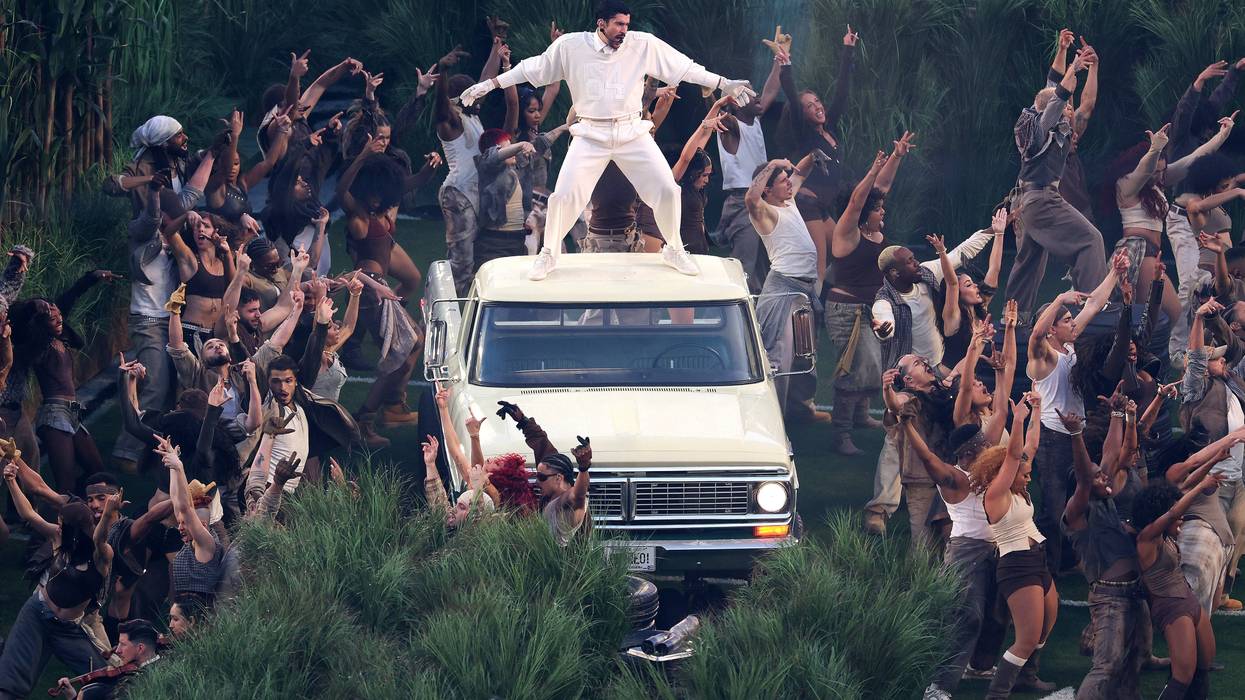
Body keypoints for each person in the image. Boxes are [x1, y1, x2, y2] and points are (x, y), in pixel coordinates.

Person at [460, 0, 757, 281]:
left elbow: (684, 67)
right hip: (590, 134)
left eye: (627, 24)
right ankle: (549, 254)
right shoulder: (571, 46)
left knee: (667, 188)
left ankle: (674, 249)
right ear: (601, 24)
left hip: (632, 133)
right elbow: (531, 68)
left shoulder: (642, 44)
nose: (624, 30)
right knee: (564, 195)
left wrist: (722, 82)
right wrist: (489, 84)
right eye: (618, 24)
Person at [1025, 252, 1125, 573]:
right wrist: (1057, 298)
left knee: (1083, 494)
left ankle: (1074, 559)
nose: (1073, 323)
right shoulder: (1043, 356)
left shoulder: (1067, 345)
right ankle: (1048, 569)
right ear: (1054, 328)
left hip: (1074, 434)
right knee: (1054, 507)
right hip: (1052, 439)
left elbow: (1093, 304)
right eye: (1067, 320)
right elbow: (1036, 334)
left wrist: (1114, 271)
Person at [823, 136, 916, 453]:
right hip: (846, 310)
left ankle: (862, 416)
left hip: (872, 308)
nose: (882, 212)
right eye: (877, 210)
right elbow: (856, 202)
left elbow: (882, 187)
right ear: (864, 213)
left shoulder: (872, 229)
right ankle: (842, 435)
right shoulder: (846, 233)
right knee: (855, 368)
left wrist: (895, 157)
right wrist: (873, 167)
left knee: (873, 366)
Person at [1004, 42, 1107, 317]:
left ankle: (1014, 317)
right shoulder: (1040, 129)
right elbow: (1057, 97)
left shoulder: (1044, 127)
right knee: (1091, 240)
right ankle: (1093, 308)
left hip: (1028, 202)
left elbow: (1056, 87)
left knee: (1029, 262)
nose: (1070, 110)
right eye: (1066, 107)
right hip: (1041, 199)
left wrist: (1064, 52)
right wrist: (1074, 67)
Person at [971, 392, 1059, 699]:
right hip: (1017, 565)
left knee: (1047, 623)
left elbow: (1028, 449)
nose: (1028, 472)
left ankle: (1027, 677)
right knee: (1026, 637)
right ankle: (997, 694)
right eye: (1023, 472)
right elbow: (1013, 456)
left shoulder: (1019, 488)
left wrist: (1037, 411)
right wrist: (1017, 420)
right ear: (1004, 475)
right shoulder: (997, 495)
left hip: (1038, 559)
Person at [0, 465, 114, 699]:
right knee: (10, 681)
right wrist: (11, 481)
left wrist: (110, 511)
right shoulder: (58, 537)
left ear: (76, 529)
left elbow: (100, 535)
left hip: (69, 628)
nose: (58, 527)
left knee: (107, 680)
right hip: (36, 613)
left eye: (63, 524)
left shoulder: (101, 555)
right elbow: (29, 515)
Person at [1057, 408, 1146, 700]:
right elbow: (1085, 477)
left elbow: (1109, 453)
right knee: (1106, 666)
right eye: (1098, 478)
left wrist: (1118, 413)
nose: (1105, 479)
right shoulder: (1078, 511)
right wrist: (1075, 434)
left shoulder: (1105, 500)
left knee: (1132, 663)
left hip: (1133, 593)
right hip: (1110, 598)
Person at [907, 420, 998, 700]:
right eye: (983, 445)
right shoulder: (955, 478)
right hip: (965, 554)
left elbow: (1002, 420)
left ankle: (979, 666)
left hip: (995, 551)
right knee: (966, 618)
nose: (989, 447)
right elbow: (927, 457)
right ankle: (938, 687)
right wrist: (906, 424)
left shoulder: (984, 470)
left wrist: (1005, 381)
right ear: (971, 450)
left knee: (995, 614)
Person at [9, 270, 120, 492]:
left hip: (73, 412)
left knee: (98, 472)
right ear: (41, 323)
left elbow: (70, 297)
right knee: (65, 481)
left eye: (59, 314)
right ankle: (65, 521)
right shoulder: (39, 345)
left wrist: (92, 277)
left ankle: (85, 509)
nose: (59, 318)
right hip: (54, 415)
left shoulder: (59, 337)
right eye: (52, 317)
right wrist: (32, 308)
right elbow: (20, 323)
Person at [1134, 452, 1228, 700]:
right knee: (1182, 677)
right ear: (1159, 515)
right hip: (1172, 610)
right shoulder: (1146, 539)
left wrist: (1215, 459)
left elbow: (1181, 489)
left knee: (1203, 667)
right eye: (1175, 516)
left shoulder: (1164, 536)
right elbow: (1175, 511)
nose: (1182, 520)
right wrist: (1200, 490)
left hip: (1189, 602)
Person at [777, 25, 858, 284]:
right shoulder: (804, 133)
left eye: (818, 102)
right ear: (803, 114)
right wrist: (786, 66)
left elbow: (842, 93)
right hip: (808, 204)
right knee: (819, 264)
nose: (818, 108)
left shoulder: (829, 127)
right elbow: (790, 92)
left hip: (824, 207)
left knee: (844, 254)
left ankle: (825, 302)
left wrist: (848, 49)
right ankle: (810, 315)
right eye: (809, 106)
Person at [745, 155, 823, 419]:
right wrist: (770, 165)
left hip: (803, 290)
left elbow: (799, 173)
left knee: (804, 354)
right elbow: (750, 199)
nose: (789, 183)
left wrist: (813, 157)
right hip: (783, 290)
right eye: (781, 181)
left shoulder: (788, 200)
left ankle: (800, 411)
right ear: (768, 187)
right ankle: (771, 419)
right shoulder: (765, 211)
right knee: (779, 358)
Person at [714, 37, 784, 293]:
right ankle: (735, 315)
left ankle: (760, 319)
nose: (756, 96)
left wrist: (779, 60)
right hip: (743, 200)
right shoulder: (730, 125)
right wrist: (714, 96)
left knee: (766, 266)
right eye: (747, 93)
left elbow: (770, 92)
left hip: (763, 198)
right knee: (745, 264)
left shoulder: (753, 122)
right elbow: (717, 115)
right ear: (733, 102)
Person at [495, 401, 592, 544]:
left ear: (559, 478)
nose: (537, 482)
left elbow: (578, 494)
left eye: (541, 477)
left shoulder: (569, 504)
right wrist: (523, 421)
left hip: (568, 565)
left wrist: (583, 468)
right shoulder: (551, 486)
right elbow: (542, 444)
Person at [434, 44, 484, 294]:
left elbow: (486, 80)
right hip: (458, 195)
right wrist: (442, 71)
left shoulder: (473, 116)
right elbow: (440, 108)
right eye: (474, 93)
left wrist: (497, 46)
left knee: (469, 260)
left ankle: (462, 310)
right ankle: (448, 317)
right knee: (462, 265)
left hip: (471, 196)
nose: (480, 97)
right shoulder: (452, 119)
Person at [163, 211, 237, 350]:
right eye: (197, 227)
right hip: (191, 331)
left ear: (216, 232)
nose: (200, 229)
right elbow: (169, 234)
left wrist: (227, 253)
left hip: (216, 335)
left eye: (206, 226)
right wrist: (185, 216)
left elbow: (234, 287)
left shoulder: (224, 262)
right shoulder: (190, 259)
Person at [52, 618, 161, 700]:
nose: (117, 650)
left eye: (123, 644)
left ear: (140, 648)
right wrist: (72, 696)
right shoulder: (146, 667)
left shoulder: (141, 683)